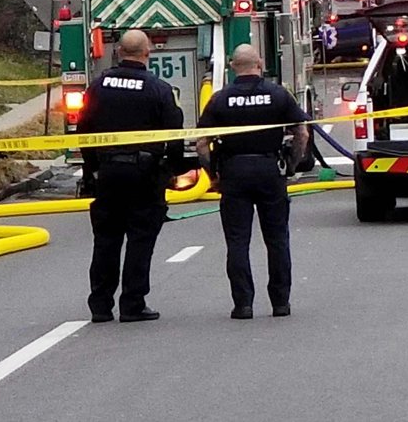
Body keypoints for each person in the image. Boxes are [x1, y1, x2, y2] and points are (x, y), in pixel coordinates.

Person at [196, 45, 309, 320]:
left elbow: (201, 143)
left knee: (237, 241)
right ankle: (280, 303)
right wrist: (291, 165)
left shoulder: (220, 99)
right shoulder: (278, 94)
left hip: (234, 172)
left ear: (233, 66)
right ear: (259, 63)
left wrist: (213, 175)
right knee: (277, 239)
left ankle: (243, 304)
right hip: (270, 170)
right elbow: (301, 133)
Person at [78, 30, 183, 323]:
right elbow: (174, 132)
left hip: (108, 172)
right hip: (144, 173)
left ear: (119, 52)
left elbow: (83, 130)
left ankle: (100, 305)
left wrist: (92, 169)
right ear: (147, 53)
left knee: (106, 239)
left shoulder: (98, 86)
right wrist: (173, 170)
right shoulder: (158, 88)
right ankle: (132, 303)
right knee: (140, 238)